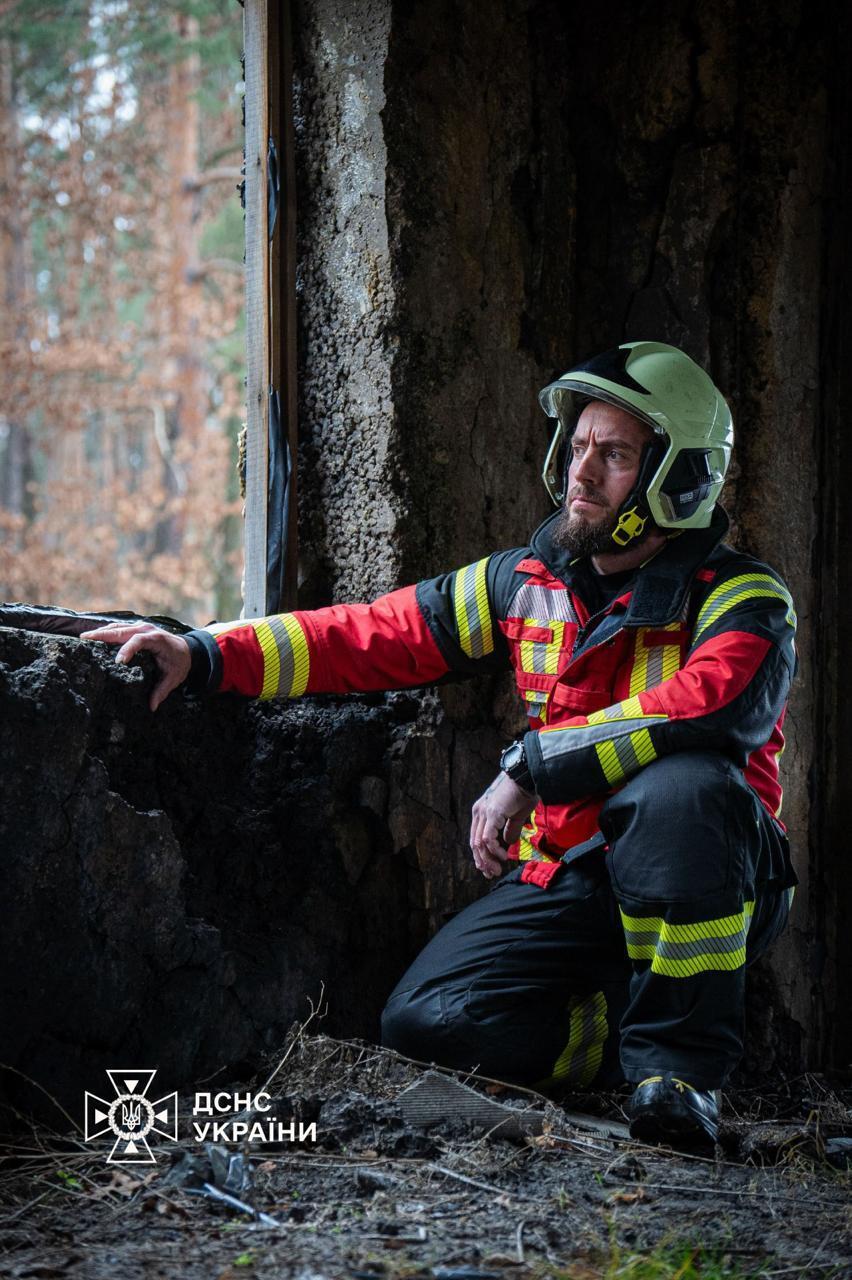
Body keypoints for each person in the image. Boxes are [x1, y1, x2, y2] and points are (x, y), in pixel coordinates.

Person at [82, 340, 797, 1145]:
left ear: (681, 477)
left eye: (616, 455)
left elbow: (706, 707)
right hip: (574, 872)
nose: (582, 472)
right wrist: (208, 653)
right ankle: (621, 1035)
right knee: (428, 1020)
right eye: (579, 446)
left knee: (684, 788)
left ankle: (678, 1080)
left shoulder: (744, 597)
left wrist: (529, 767)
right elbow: (373, 634)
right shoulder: (525, 582)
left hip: (712, 877)